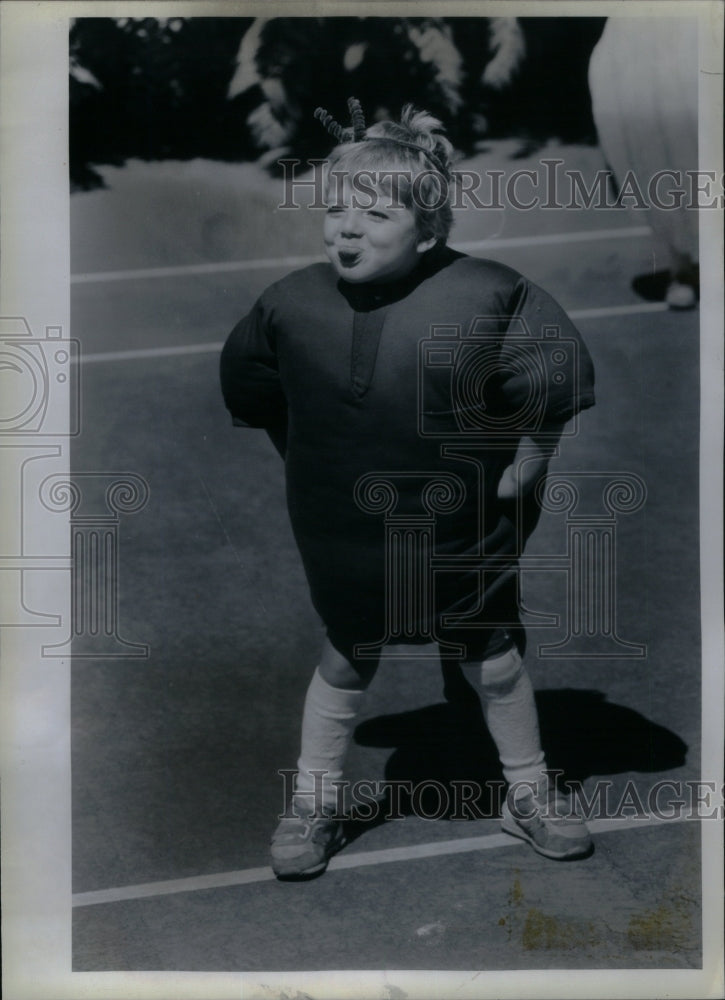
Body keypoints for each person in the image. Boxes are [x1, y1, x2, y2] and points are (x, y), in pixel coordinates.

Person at [220, 101, 596, 879]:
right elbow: (254, 386)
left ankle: (526, 792)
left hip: (463, 526)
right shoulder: (292, 304)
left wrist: (527, 461)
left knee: (490, 656)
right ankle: (316, 802)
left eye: (376, 213)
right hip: (344, 530)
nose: (347, 229)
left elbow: (549, 375)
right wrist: (307, 459)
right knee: (348, 654)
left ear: (429, 231)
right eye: (335, 209)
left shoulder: (485, 292)